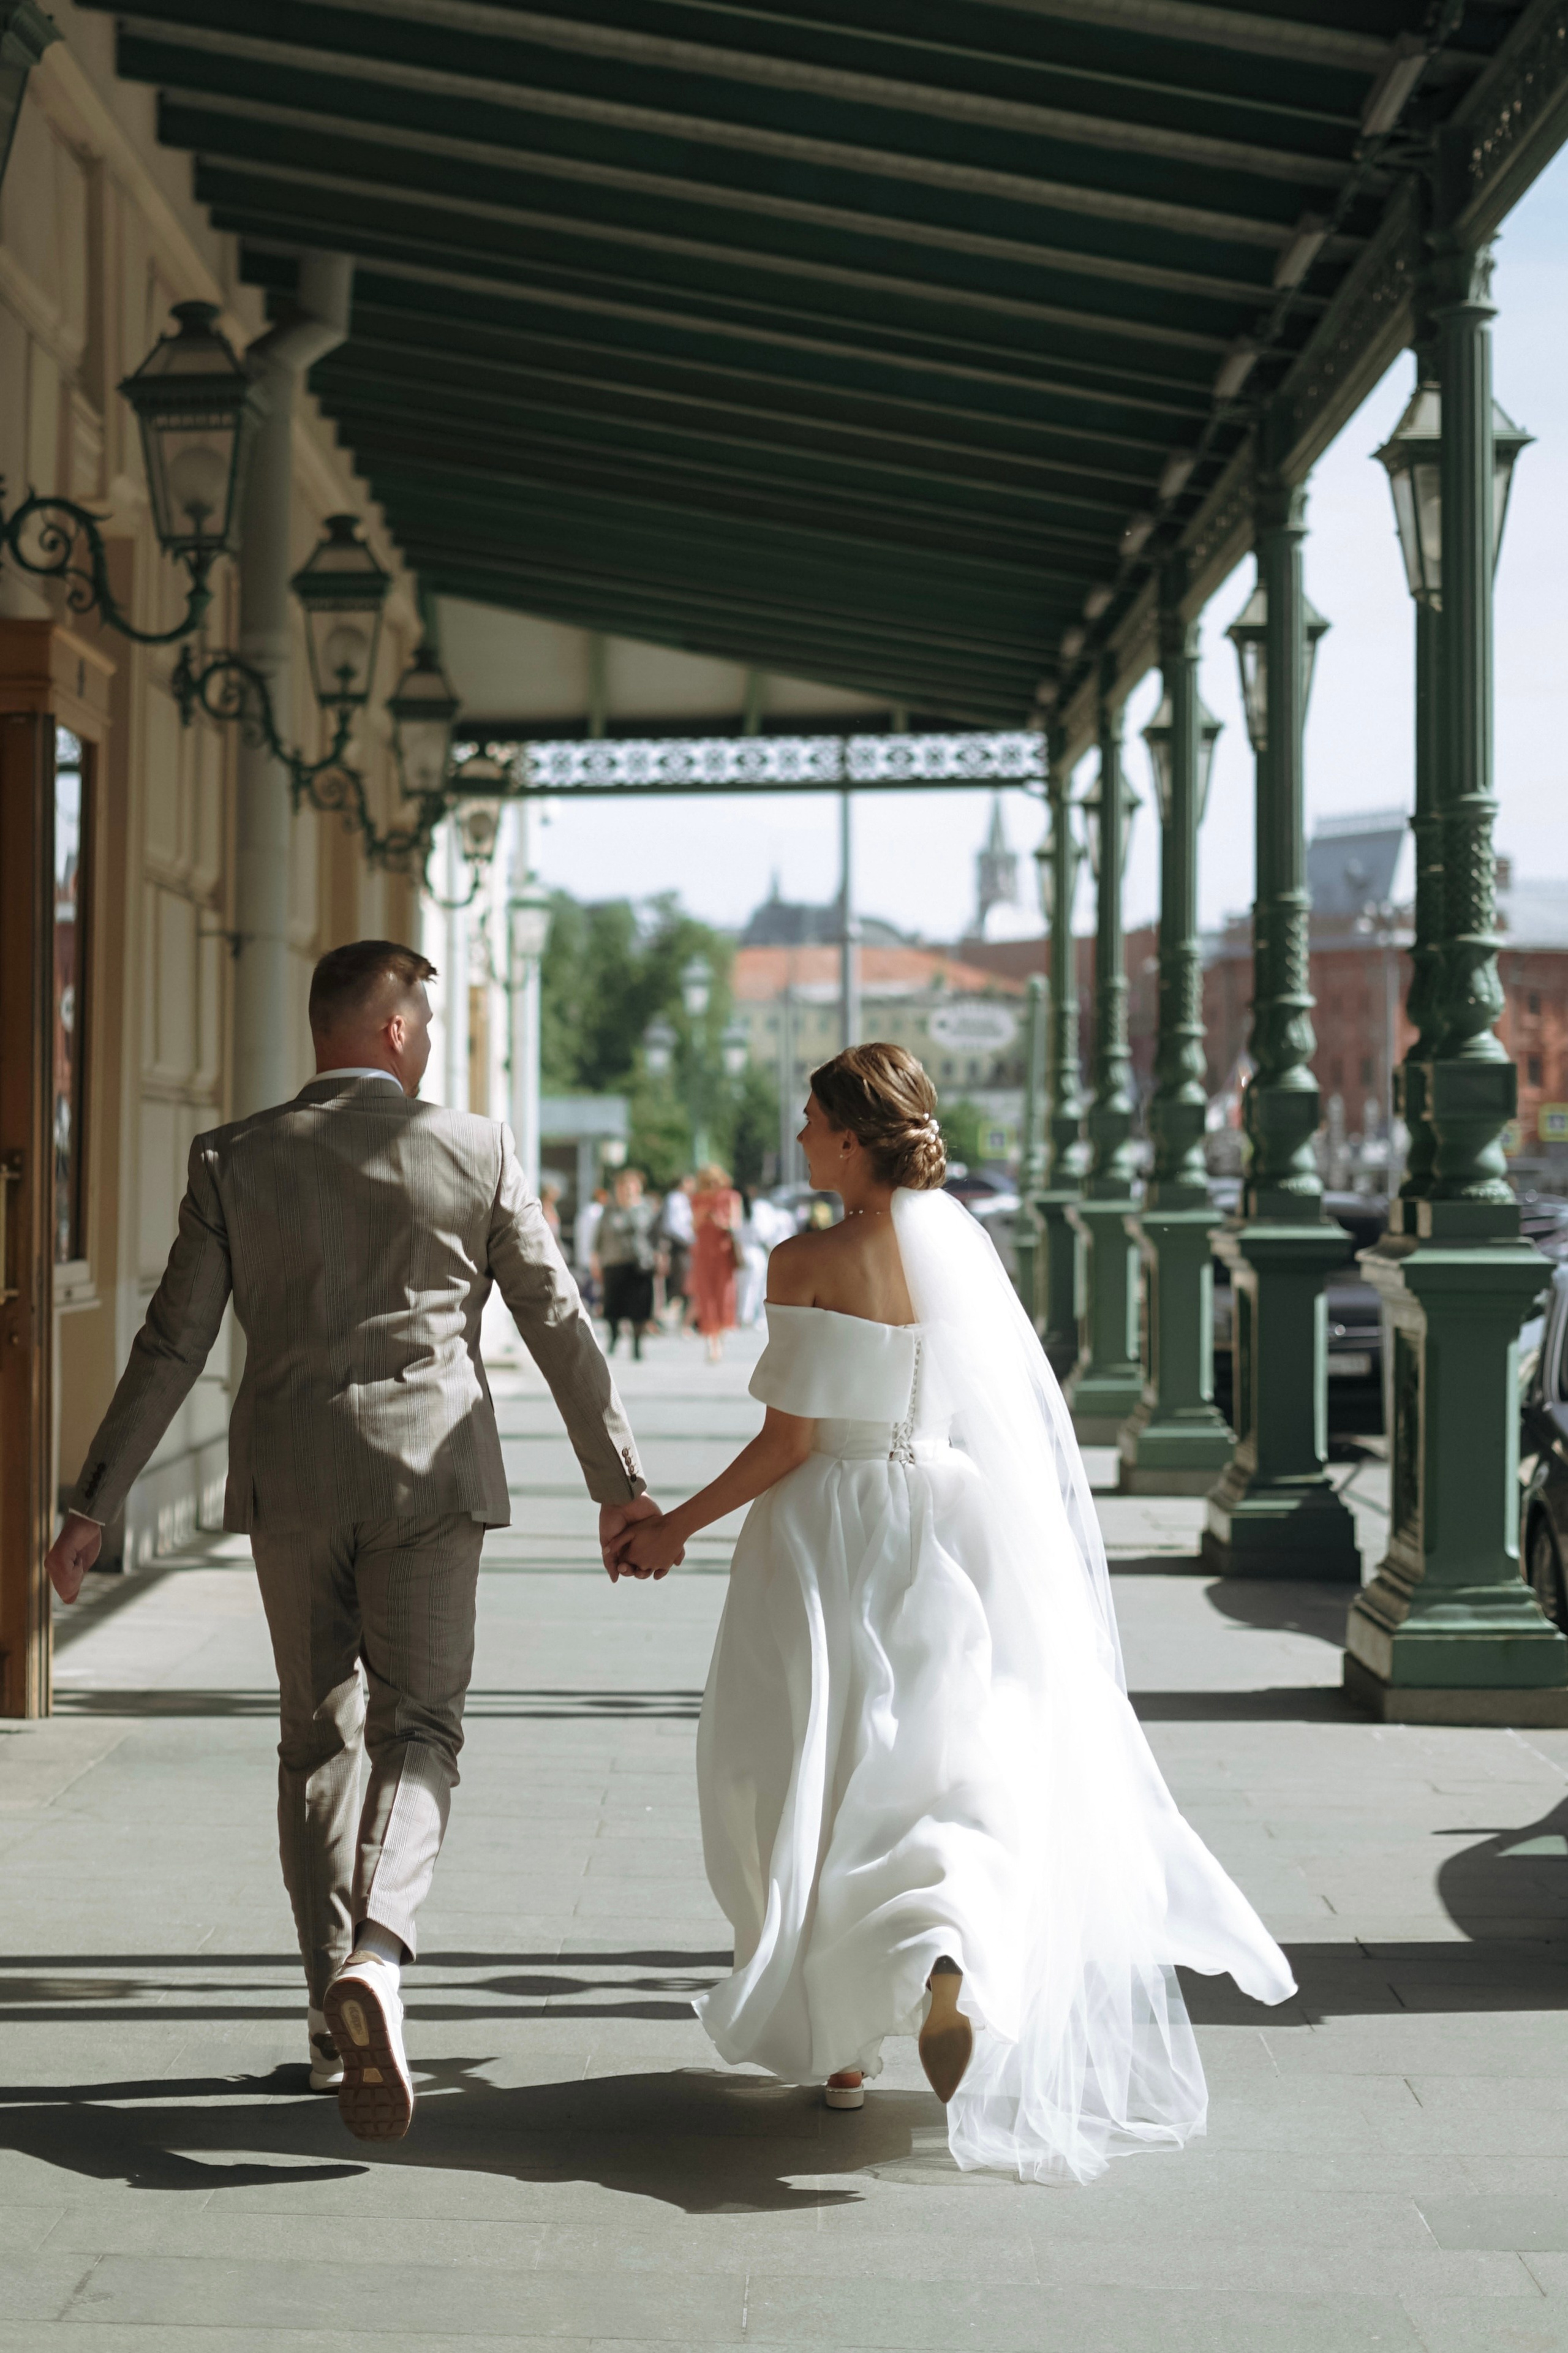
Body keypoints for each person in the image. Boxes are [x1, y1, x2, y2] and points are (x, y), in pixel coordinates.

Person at [609, 1043, 1295, 2185]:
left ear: (849, 1136)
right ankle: (947, 1959)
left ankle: (837, 2051)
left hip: (832, 1525)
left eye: (811, 1120)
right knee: (943, 1756)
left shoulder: (806, 1258)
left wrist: (675, 1524)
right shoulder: (959, 1252)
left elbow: (788, 1443)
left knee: (816, 1762)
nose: (797, 1140)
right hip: (948, 1513)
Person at [44, 941, 666, 2145]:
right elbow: (557, 1321)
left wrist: (94, 1501)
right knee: (419, 1727)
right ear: (391, 1031)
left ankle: (333, 2015)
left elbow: (171, 1342)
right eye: (422, 1019)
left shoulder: (235, 1156)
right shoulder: (473, 1149)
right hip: (431, 1475)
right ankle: (377, 1956)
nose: (428, 1038)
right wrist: (620, 1486)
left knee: (312, 1738)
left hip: (290, 1478)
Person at [594, 1166, 658, 1359]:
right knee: (613, 1305)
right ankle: (614, 1336)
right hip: (614, 1262)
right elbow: (600, 1235)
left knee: (640, 1306)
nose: (627, 1191)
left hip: (641, 1263)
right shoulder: (610, 1210)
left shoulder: (646, 1208)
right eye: (623, 1187)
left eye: (631, 1186)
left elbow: (651, 1233)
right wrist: (596, 1258)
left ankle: (638, 1344)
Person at [690, 1161, 742, 1363]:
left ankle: (721, 1337)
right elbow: (693, 1226)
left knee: (725, 1296)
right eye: (708, 1182)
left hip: (724, 1253)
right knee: (706, 1297)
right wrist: (704, 1215)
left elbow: (736, 1223)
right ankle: (712, 1343)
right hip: (703, 1253)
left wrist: (721, 1221)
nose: (712, 1186)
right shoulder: (697, 1199)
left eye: (715, 1181)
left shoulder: (731, 1197)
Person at [658, 1173, 695, 1331]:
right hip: (680, 1247)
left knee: (685, 1283)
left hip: (685, 1246)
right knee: (680, 1284)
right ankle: (667, 1319)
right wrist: (690, 1241)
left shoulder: (683, 1199)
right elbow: (672, 1225)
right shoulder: (675, 1199)